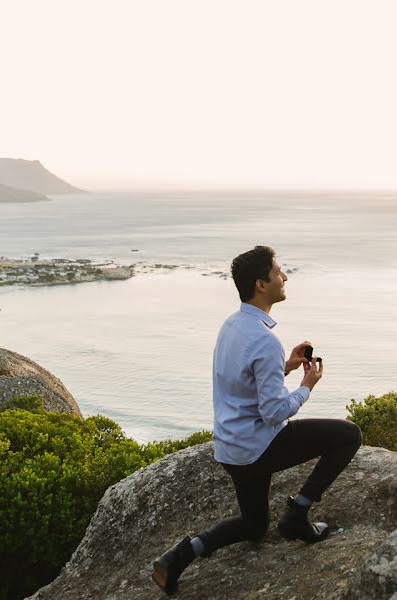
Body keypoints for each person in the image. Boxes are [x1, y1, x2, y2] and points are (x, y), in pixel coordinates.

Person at [151, 245, 362, 595]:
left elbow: (242, 382)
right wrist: (306, 386)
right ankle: (298, 514)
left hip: (231, 450)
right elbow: (275, 412)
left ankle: (179, 556)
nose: (284, 276)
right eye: (278, 271)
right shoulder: (265, 340)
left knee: (254, 525)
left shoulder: (231, 326)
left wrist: (285, 368)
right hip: (259, 448)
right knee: (348, 435)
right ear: (261, 284)